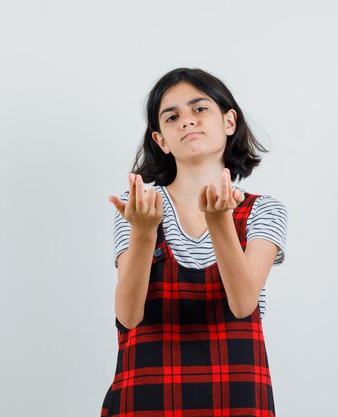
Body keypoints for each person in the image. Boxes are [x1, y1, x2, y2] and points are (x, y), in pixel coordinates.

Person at [102, 67, 288, 416]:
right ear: (161, 140)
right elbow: (127, 316)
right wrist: (143, 233)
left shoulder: (263, 210)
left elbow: (243, 303)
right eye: (172, 117)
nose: (187, 120)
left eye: (199, 108)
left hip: (236, 401)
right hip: (145, 399)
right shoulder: (138, 207)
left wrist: (219, 220)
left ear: (229, 121)